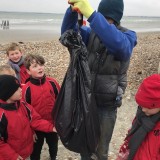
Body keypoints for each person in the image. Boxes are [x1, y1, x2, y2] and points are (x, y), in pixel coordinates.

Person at [61, 0, 137, 159]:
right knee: (85, 144)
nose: (105, 21)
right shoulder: (90, 34)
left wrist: (94, 16)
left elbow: (119, 47)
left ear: (116, 18)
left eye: (108, 18)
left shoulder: (128, 36)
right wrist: (72, 10)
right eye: (103, 17)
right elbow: (68, 34)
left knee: (101, 149)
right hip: (86, 99)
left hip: (107, 104)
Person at [0, 75, 56, 160]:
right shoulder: (1, 115)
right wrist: (12, 155)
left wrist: (52, 128)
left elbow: (36, 120)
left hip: (26, 152)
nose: (21, 90)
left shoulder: (23, 104)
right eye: (17, 89)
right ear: (7, 93)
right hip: (10, 156)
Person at [22, 54, 60, 160]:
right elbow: (25, 113)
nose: (40, 68)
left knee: (53, 146)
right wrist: (31, 131)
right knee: (35, 151)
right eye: (35, 66)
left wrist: (59, 122)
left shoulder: (53, 82)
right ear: (28, 71)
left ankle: (53, 157)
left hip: (52, 124)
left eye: (41, 64)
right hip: (36, 127)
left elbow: (61, 103)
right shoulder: (27, 89)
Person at [116, 74, 160, 160]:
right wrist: (124, 151)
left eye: (148, 107)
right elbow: (132, 134)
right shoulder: (142, 114)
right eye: (141, 105)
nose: (143, 109)